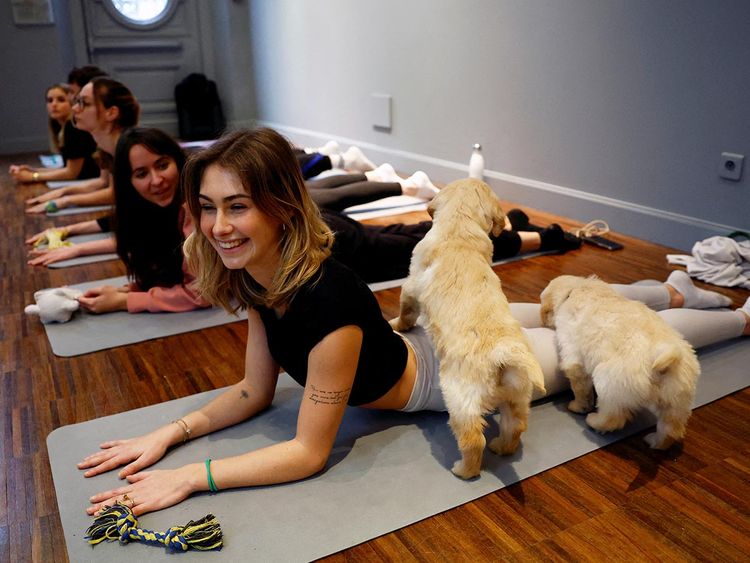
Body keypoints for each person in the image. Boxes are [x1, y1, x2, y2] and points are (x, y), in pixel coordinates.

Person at [77, 128, 749, 517]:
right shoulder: (256, 277)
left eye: (239, 206)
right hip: (438, 330)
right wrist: (169, 433)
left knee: (615, 342)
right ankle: (673, 288)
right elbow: (255, 392)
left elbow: (310, 452)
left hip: (451, 367)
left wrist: (196, 476)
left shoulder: (326, 300)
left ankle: (733, 315)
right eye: (210, 207)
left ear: (280, 206)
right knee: (575, 304)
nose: (220, 227)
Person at [68, 128, 211, 314]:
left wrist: (125, 300)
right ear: (129, 183)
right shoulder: (149, 210)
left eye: (162, 165)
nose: (157, 180)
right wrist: (131, 289)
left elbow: (202, 294)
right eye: (142, 174)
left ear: (177, 161)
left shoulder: (196, 208)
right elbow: (171, 273)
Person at [25, 77, 140, 214]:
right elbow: (103, 182)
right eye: (77, 101)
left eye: (84, 103)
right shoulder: (107, 147)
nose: (74, 108)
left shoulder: (132, 150)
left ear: (111, 113)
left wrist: (66, 199)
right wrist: (64, 192)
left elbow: (114, 195)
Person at [9, 83, 99, 183]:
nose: (54, 104)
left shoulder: (73, 127)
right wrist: (34, 170)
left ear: (72, 104)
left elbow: (72, 173)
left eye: (61, 100)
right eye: (50, 100)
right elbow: (67, 168)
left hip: (91, 182)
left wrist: (33, 176)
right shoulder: (61, 127)